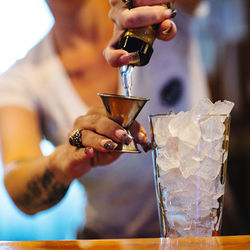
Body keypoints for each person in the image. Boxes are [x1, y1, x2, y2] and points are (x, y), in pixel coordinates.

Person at [0, 0, 209, 239]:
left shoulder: (150, 14)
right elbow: (20, 185)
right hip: (107, 240)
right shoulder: (22, 79)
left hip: (204, 230)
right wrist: (65, 159)